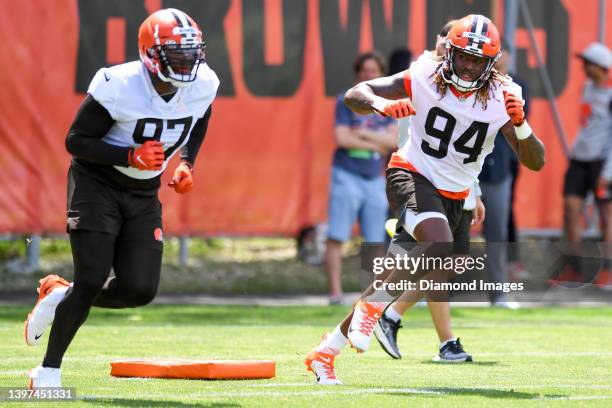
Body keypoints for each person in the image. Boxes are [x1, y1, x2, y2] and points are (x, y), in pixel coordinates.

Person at [305, 14, 545, 385]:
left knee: (418, 274)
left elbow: (536, 160)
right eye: (462, 55)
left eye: (476, 60)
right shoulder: (426, 74)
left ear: (491, 63)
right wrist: (382, 106)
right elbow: (357, 94)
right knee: (438, 246)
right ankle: (377, 312)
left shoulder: (504, 95)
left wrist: (521, 125)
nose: (467, 65)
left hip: (458, 194)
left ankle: (325, 352)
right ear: (450, 50)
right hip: (411, 174)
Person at [23, 8, 219, 388]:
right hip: (97, 183)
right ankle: (47, 372)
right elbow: (76, 142)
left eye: (190, 52)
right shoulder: (120, 84)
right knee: (93, 277)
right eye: (175, 53)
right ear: (150, 54)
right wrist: (129, 155)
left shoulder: (204, 83)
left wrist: (187, 162)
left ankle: (61, 295)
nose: (186, 61)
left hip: (144, 190)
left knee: (139, 290)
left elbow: (201, 116)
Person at [374, 20, 484, 362]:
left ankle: (389, 315)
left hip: (456, 186)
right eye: (454, 44)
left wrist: (475, 190)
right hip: (422, 180)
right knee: (430, 255)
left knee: (451, 260)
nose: (466, 58)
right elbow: (414, 137)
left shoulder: (465, 81)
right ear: (443, 41)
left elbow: (468, 144)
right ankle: (430, 335)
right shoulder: (422, 73)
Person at [325, 52, 397, 304]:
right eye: (365, 71)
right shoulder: (346, 100)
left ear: (381, 73)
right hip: (346, 174)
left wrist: (364, 135)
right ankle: (335, 293)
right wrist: (377, 142)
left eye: (373, 71)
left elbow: (392, 141)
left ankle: (372, 297)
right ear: (358, 73)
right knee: (337, 236)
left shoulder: (389, 103)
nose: (369, 75)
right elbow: (342, 138)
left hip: (374, 178)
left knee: (376, 240)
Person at [478, 45, 530, 307]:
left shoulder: (518, 86)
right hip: (469, 168)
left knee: (497, 231)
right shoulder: (474, 82)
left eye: (503, 57)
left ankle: (498, 293)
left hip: (499, 170)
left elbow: (519, 127)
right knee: (452, 231)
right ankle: (440, 293)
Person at [559, 42, 612, 289]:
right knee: (571, 209)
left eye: (587, 63)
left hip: (603, 162)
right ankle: (575, 267)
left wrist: (608, 172)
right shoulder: (588, 87)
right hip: (580, 158)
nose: (584, 67)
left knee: (607, 216)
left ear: (601, 67)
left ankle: (608, 271)